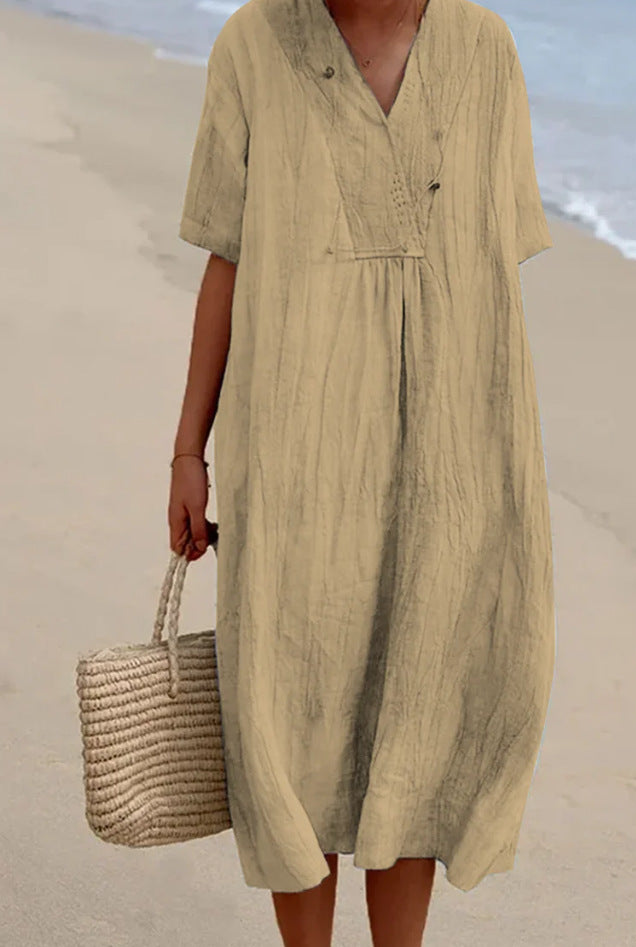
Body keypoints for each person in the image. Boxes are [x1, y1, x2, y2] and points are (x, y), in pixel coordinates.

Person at [169, 0, 556, 944]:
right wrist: (187, 450)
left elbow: (488, 272)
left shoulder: (483, 50)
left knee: (424, 693)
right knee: (292, 696)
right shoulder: (254, 43)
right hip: (293, 452)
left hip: (451, 451)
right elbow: (228, 257)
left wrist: (495, 460)